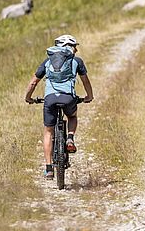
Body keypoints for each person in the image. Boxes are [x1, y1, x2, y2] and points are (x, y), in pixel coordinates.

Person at [25, 34, 94, 179]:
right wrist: (89, 96)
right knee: (72, 116)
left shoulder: (47, 61)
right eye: (74, 46)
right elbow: (86, 82)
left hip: (49, 100)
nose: (76, 50)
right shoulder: (76, 61)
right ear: (68, 46)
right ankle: (69, 138)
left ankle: (49, 168)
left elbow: (33, 83)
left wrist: (28, 98)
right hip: (69, 98)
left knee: (48, 131)